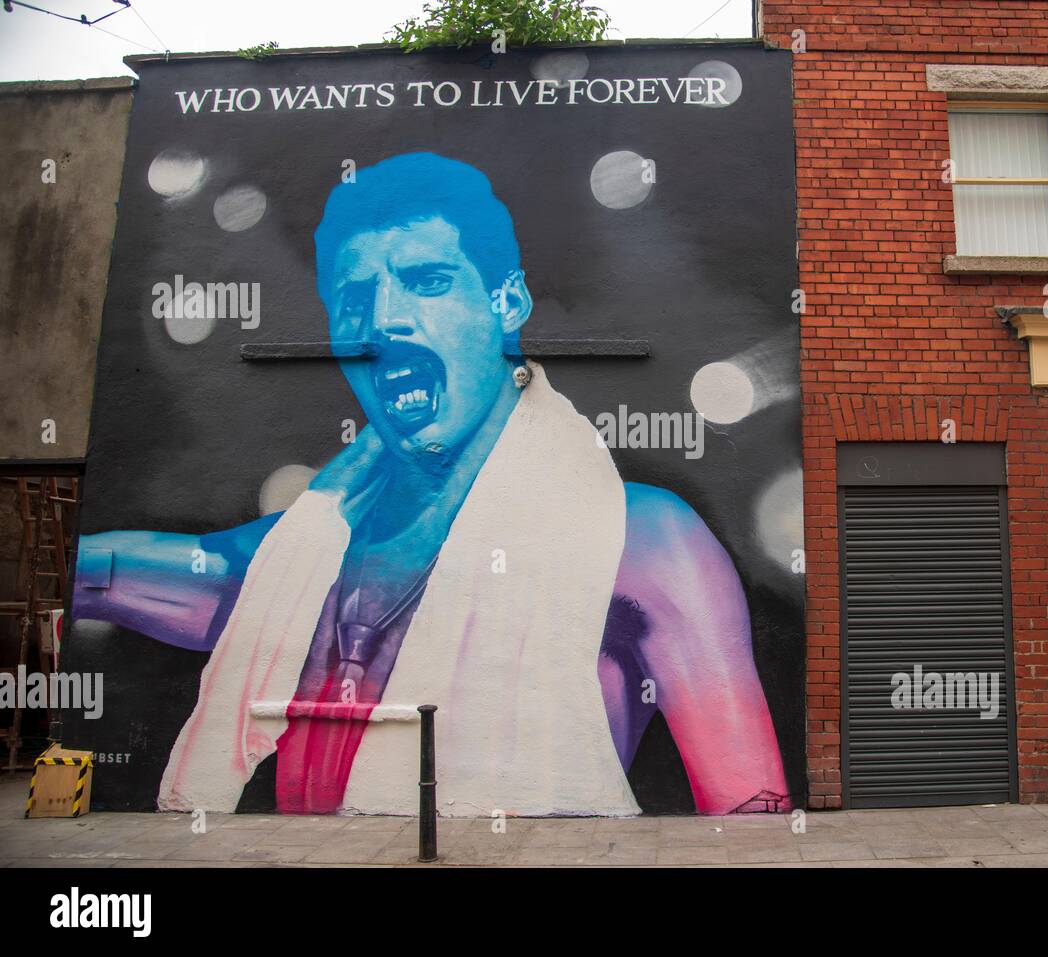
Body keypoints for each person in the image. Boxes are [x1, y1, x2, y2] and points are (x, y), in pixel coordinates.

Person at [73, 152, 789, 817]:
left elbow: (750, 813)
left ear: (508, 304)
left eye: (427, 280)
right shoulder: (306, 548)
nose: (383, 319)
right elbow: (176, 573)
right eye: (355, 296)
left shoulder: (647, 544)